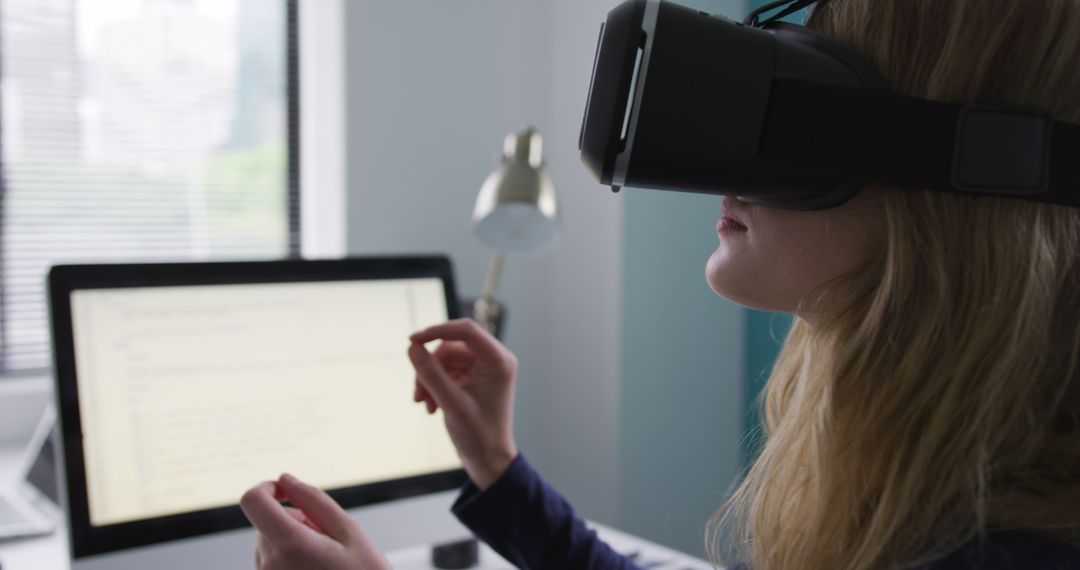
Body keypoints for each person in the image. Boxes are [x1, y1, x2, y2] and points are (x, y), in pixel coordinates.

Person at [238, 0, 1080, 568]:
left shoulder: (996, 544)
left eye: (793, 113)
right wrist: (496, 464)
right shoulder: (952, 480)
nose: (727, 162)